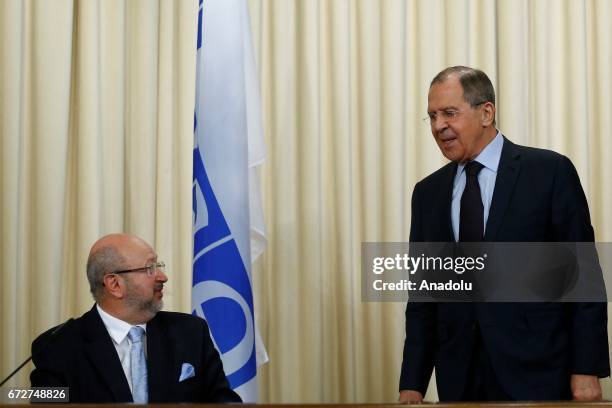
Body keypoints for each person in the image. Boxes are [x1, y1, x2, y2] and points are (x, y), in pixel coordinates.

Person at [398, 66, 609, 402]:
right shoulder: (428, 194)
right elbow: (425, 297)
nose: (439, 126)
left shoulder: (549, 172)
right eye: (433, 116)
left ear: (486, 112)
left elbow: (583, 278)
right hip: (460, 379)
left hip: (539, 373)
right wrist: (412, 383)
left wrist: (586, 368)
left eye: (449, 113)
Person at [30, 233, 241, 403]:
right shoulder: (56, 347)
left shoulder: (191, 332)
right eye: (150, 268)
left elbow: (224, 401)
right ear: (114, 284)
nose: (162, 276)